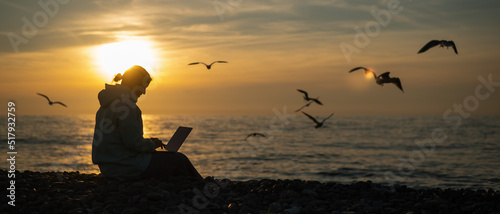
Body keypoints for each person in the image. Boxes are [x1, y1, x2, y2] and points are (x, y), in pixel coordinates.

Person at [91, 65, 203, 181]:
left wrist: (149, 143)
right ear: (134, 83)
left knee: (176, 160)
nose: (143, 92)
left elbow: (123, 140)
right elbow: (134, 144)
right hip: (125, 167)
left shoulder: (107, 105)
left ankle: (199, 186)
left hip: (109, 167)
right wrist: (152, 145)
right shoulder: (127, 107)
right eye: (143, 87)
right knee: (178, 160)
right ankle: (202, 187)